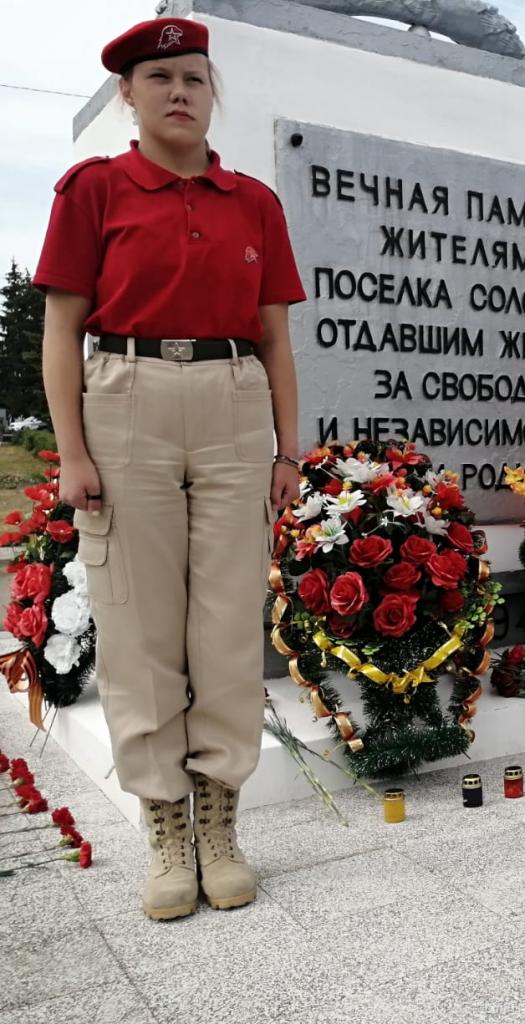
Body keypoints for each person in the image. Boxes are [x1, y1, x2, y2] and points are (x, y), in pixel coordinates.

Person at [34, 18, 306, 921]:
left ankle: (221, 823)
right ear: (130, 95)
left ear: (211, 90)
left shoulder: (252, 202)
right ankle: (164, 826)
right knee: (138, 622)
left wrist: (288, 449)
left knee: (228, 621)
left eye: (194, 75)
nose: (179, 90)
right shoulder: (95, 190)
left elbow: (276, 337)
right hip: (126, 398)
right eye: (160, 78)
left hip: (231, 400)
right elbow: (62, 331)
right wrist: (73, 451)